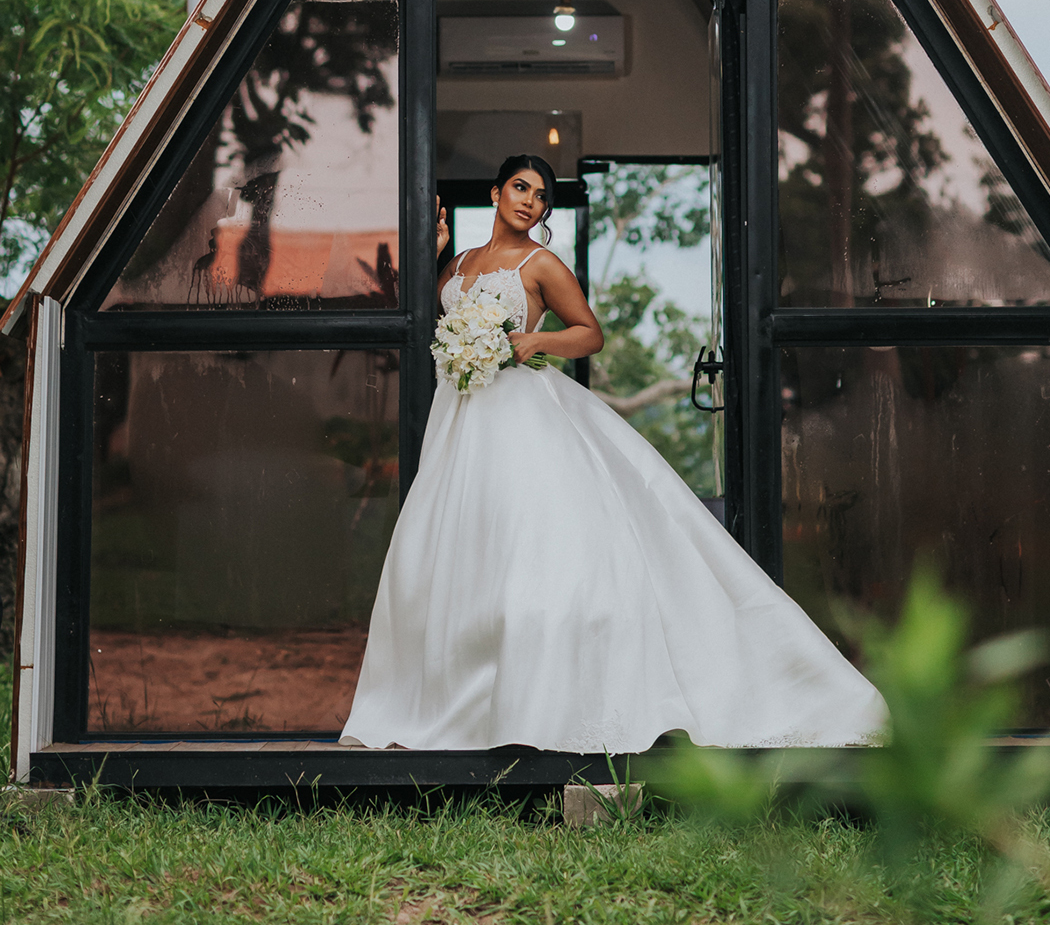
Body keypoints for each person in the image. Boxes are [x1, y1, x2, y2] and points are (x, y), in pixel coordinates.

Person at [340, 153, 885, 753]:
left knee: (530, 551)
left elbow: (589, 333)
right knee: (451, 551)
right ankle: (454, 703)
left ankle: (541, 703)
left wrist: (533, 341)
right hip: (459, 417)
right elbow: (437, 314)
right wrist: (431, 255)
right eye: (520, 188)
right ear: (495, 193)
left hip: (517, 415)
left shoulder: (541, 263)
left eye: (541, 195)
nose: (530, 201)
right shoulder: (461, 262)